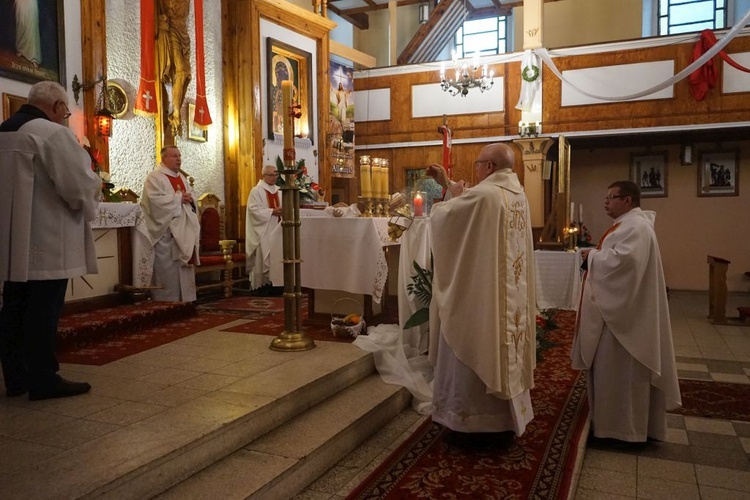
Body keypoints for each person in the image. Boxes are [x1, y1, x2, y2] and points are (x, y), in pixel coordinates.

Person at [426, 143, 536, 447]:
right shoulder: (518, 194)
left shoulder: (486, 194)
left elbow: (446, 219)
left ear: (488, 167)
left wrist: (450, 192)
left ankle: (470, 422)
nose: (476, 170)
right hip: (506, 293)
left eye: (477, 164)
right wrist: (451, 187)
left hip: (481, 298)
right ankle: (505, 419)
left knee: (475, 339)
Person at [0, 81, 101, 400]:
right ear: (57, 107)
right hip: (48, 238)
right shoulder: (52, 133)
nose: (65, 116)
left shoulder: (3, 131)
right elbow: (76, 186)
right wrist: (93, 185)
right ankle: (44, 378)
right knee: (43, 311)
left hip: (11, 241)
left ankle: (16, 378)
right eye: (66, 111)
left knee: (14, 307)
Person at [572, 180, 681, 444]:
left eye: (612, 197)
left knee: (621, 374)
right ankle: (617, 427)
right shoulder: (629, 225)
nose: (606, 202)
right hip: (621, 314)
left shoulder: (637, 227)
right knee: (614, 374)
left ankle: (622, 432)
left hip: (624, 319)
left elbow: (625, 263)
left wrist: (592, 257)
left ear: (628, 200)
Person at [141, 145, 200, 302]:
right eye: (174, 156)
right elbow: (154, 202)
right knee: (167, 270)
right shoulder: (154, 177)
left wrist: (189, 198)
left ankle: (186, 301)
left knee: (184, 268)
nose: (178, 159)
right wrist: (178, 199)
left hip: (184, 231)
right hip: (166, 233)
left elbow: (192, 196)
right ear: (164, 158)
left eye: (179, 156)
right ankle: (166, 301)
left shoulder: (181, 177)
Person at [156, 0, 191, 137]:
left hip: (184, 33)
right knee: (181, 72)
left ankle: (176, 112)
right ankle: (176, 113)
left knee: (187, 75)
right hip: (172, 31)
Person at [245, 164, 282, 291]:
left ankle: (276, 285)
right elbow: (253, 210)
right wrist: (272, 211)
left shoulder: (279, 191)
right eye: (271, 175)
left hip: (278, 229)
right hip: (263, 231)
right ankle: (261, 287)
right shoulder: (256, 191)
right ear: (264, 175)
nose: (274, 178)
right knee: (263, 256)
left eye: (276, 175)